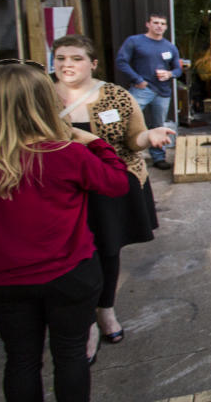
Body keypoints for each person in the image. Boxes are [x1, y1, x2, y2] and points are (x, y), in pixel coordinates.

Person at [0, 61, 128, 402]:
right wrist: (90, 141)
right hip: (68, 273)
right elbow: (116, 181)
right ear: (44, 102)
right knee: (69, 353)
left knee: (21, 358)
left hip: (2, 280)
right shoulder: (63, 153)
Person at [54, 35, 173, 359]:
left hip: (108, 186)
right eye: (61, 58)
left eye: (76, 58)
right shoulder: (41, 99)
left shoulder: (115, 95)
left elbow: (134, 138)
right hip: (58, 191)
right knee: (71, 258)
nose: (67, 64)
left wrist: (149, 136)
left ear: (92, 63)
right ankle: (85, 320)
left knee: (106, 250)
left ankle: (104, 310)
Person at [114, 13, 182, 170]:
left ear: (166, 27)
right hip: (142, 90)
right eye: (156, 22)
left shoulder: (169, 46)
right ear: (148, 24)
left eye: (163, 23)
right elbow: (121, 61)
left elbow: (178, 69)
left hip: (163, 92)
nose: (159, 26)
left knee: (158, 125)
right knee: (127, 120)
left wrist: (169, 74)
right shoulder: (135, 41)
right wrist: (137, 80)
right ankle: (122, 156)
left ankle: (159, 158)